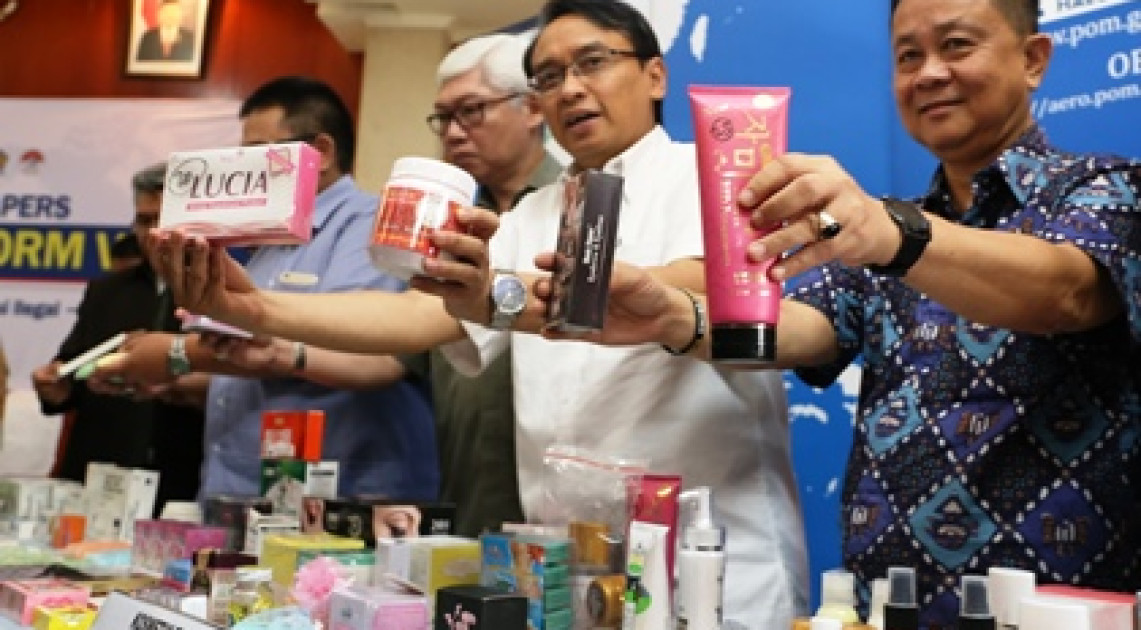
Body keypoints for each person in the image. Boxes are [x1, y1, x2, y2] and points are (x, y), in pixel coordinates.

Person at [136, 2, 809, 625]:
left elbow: (701, 280)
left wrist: (499, 294)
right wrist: (252, 307)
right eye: (549, 77)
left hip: (711, 555)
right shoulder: (535, 214)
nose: (571, 89)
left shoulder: (715, 176)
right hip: (566, 566)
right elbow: (421, 318)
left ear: (655, 74)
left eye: (593, 62)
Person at [532, 0, 1141, 626]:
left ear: (1033, 59)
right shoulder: (882, 230)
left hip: (1056, 610)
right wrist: (674, 318)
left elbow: (1066, 291)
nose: (929, 73)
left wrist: (897, 237)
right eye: (908, 56)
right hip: (885, 609)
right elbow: (800, 327)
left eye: (956, 45)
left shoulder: (1103, 189)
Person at [95, 76, 439, 503]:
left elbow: (361, 354)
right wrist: (177, 381)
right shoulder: (267, 241)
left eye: (261, 154)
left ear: (321, 152)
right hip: (242, 486)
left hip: (339, 496)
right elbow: (258, 359)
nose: (251, 172)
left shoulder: (369, 226)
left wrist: (178, 354)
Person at [411, 32, 563, 536]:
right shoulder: (445, 223)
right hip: (462, 497)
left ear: (533, 109)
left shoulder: (579, 207)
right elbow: (403, 345)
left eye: (471, 111)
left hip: (557, 506)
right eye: (443, 118)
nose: (453, 133)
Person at [30, 163, 205, 515]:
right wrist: (55, 388)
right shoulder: (107, 290)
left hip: (182, 480)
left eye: (163, 221)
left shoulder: (221, 294)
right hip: (101, 477)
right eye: (143, 221)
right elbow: (74, 368)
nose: (152, 233)